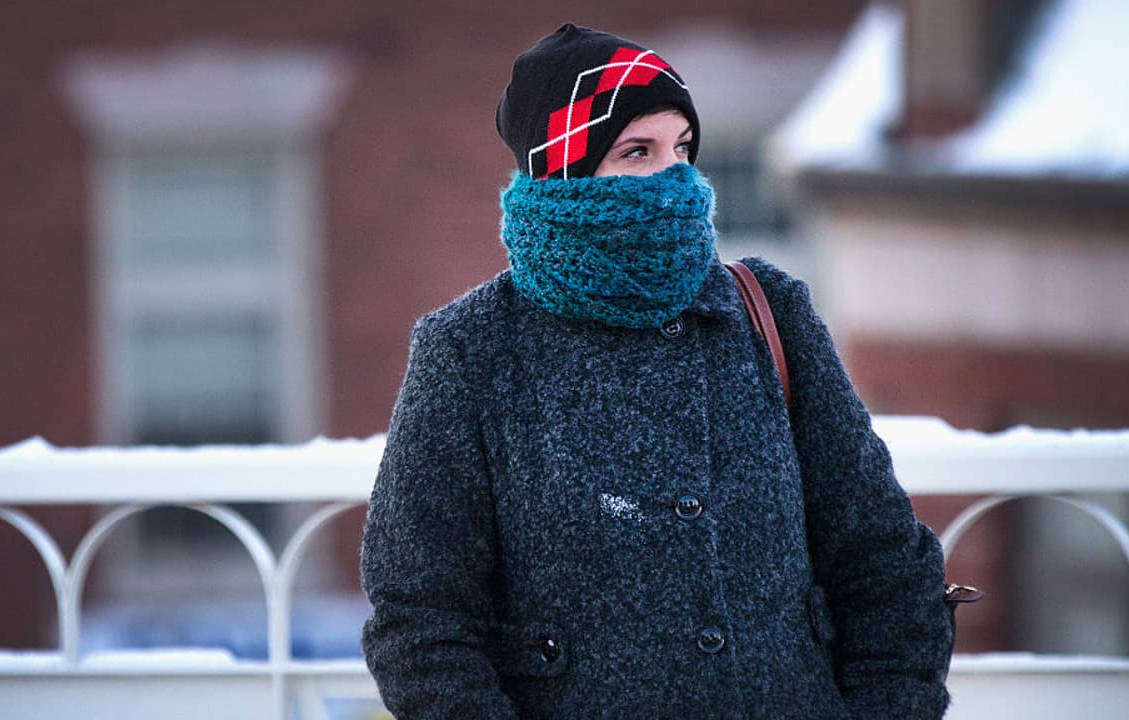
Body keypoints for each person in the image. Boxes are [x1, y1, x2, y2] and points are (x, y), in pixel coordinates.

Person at [360, 23, 954, 720]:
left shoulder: (770, 315)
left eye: (683, 148)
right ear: (564, 170)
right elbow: (421, 619)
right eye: (636, 151)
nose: (673, 178)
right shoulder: (470, 352)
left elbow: (882, 562)